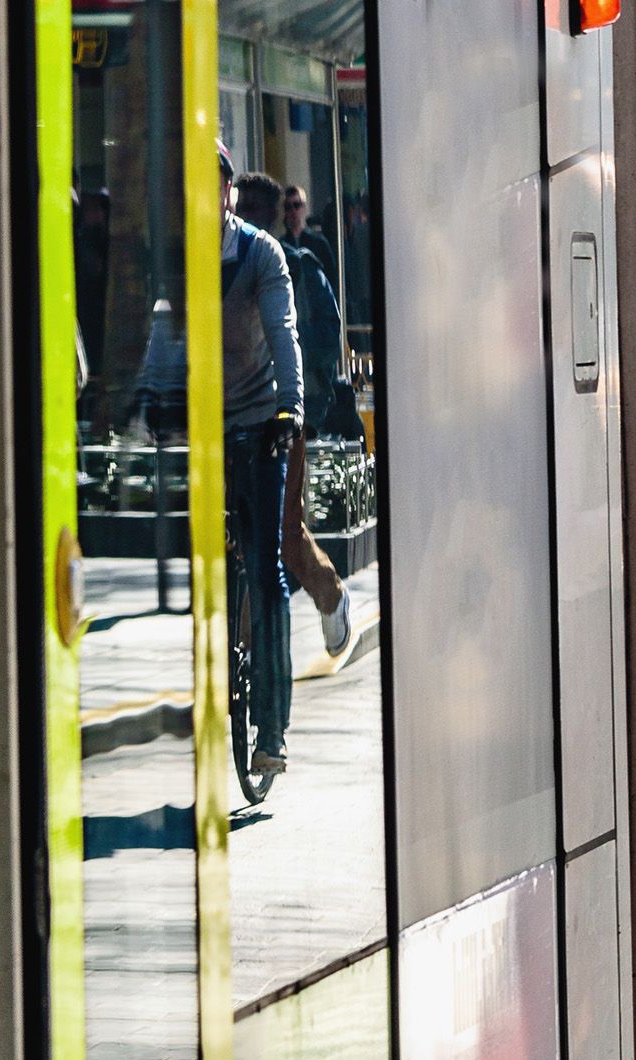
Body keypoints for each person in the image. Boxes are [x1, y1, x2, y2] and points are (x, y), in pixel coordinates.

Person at [233, 173, 355, 656]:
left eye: (258, 210)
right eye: (244, 210)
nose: (250, 219)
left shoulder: (299, 267)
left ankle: (330, 595)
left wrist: (306, 410)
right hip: (234, 416)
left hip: (284, 418)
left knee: (282, 530)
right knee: (243, 537)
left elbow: (324, 341)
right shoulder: (228, 264)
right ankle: (245, 651)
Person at [217, 151, 303, 776]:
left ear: (228, 192)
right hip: (205, 428)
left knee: (267, 570)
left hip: (257, 424)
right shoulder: (180, 257)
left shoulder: (261, 255)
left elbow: (283, 331)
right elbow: (163, 335)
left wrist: (289, 408)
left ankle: (271, 728)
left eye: (213, 184)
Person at [279, 183, 340, 289]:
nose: (293, 211)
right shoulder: (281, 245)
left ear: (304, 207)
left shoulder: (318, 242)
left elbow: (332, 278)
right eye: (288, 207)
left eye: (297, 205)